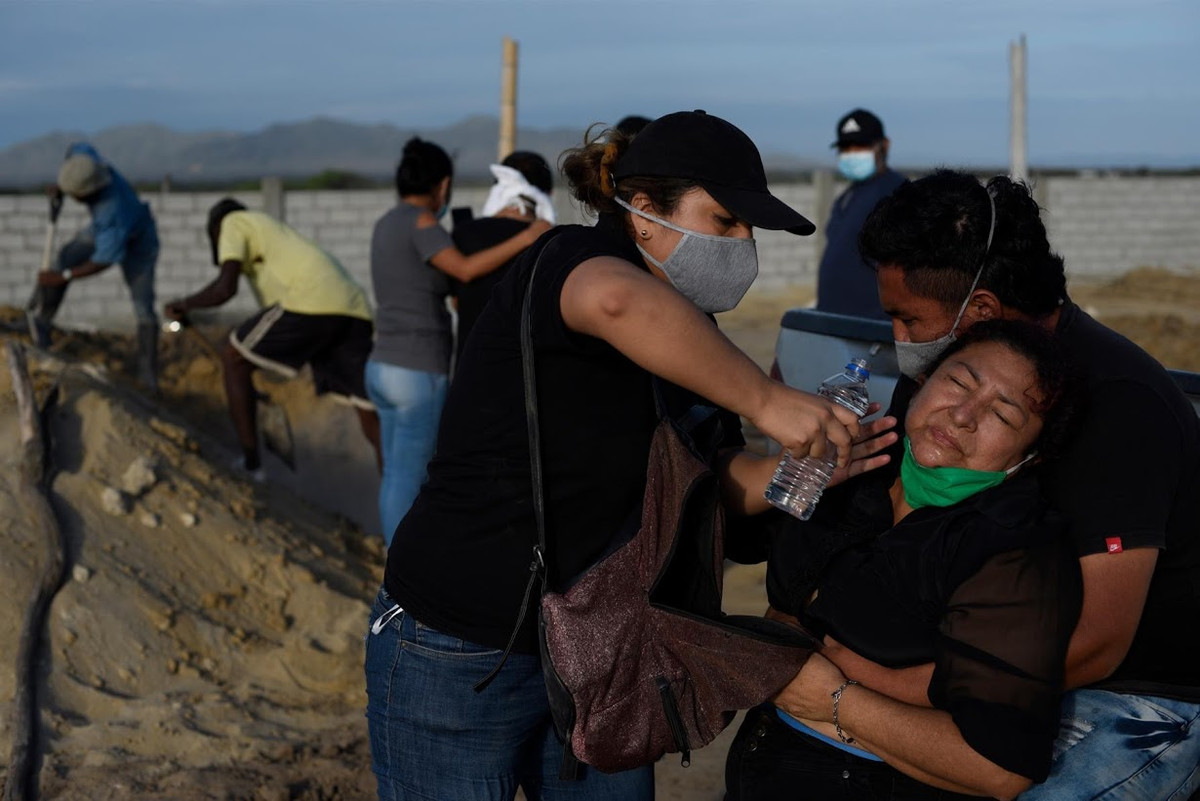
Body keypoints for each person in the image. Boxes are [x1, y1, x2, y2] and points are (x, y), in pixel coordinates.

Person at [364, 109, 866, 800]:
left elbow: (709, 482)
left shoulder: (695, 334)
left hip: (606, 654)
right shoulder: (569, 259)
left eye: (753, 229)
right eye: (725, 221)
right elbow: (612, 300)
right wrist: (764, 397)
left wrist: (797, 475)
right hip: (459, 645)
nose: (744, 243)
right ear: (642, 211)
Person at [854, 170, 1200, 799]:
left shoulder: (1117, 408)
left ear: (980, 312)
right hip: (981, 662)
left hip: (1138, 693)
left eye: (907, 320)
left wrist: (876, 687)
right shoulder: (953, 373)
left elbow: (1098, 642)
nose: (898, 342)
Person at [726, 320, 1083, 800]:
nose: (962, 415)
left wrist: (837, 700)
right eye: (957, 382)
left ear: (1028, 457)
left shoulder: (1013, 549)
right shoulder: (863, 465)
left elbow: (1000, 768)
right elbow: (740, 541)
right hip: (765, 760)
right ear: (921, 381)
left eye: (1004, 414)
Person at [366, 138, 551, 542]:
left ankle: (390, 559)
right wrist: (527, 236)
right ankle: (403, 570)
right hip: (417, 369)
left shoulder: (387, 222)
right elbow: (465, 271)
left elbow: (443, 286)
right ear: (443, 185)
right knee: (411, 478)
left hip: (381, 364)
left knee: (395, 473)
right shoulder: (422, 222)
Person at [164, 199, 380, 479]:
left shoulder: (233, 222)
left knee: (233, 356)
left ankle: (252, 465)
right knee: (366, 407)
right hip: (354, 310)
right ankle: (400, 488)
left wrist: (183, 304)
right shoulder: (271, 239)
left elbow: (224, 289)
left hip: (312, 298)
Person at [32, 142, 161, 390]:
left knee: (143, 306)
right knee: (67, 254)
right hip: (103, 232)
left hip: (138, 241)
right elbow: (77, 147)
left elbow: (103, 260)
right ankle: (41, 321)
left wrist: (64, 277)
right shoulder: (88, 162)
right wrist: (62, 184)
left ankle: (148, 376)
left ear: (87, 193)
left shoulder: (111, 211)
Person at [451, 150, 556, 361]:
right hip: (525, 375)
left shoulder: (463, 232)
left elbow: (456, 302)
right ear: (548, 193)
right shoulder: (550, 242)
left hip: (468, 370)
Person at [814, 109, 906, 320]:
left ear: (884, 145)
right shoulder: (847, 196)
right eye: (846, 148)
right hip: (835, 321)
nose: (852, 153)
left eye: (861, 146)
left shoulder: (898, 193)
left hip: (872, 326)